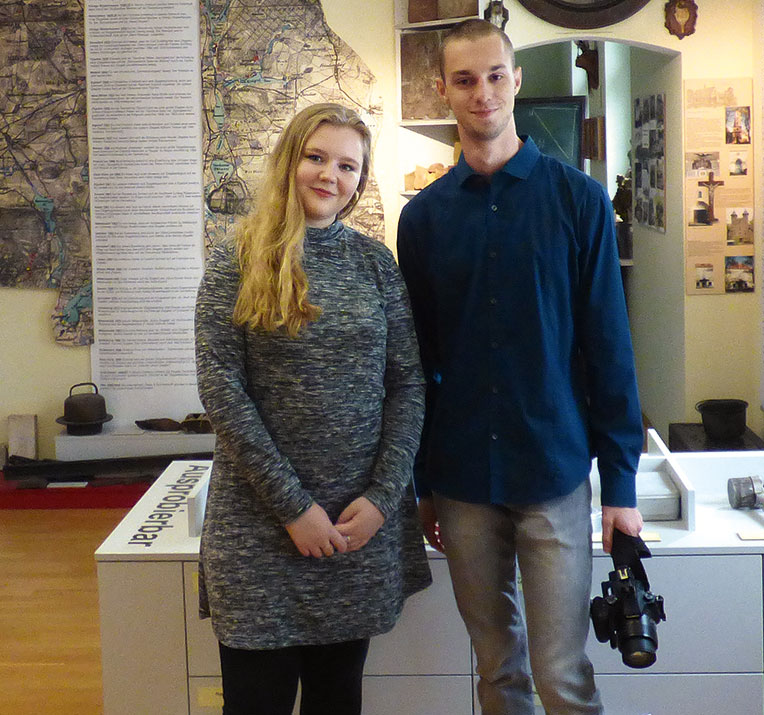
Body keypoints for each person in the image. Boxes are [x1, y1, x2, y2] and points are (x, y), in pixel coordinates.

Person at [397, 19, 644, 715]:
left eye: (495, 76)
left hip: (554, 471)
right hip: (463, 480)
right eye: (466, 80)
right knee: (496, 670)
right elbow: (417, 362)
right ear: (443, 90)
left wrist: (619, 483)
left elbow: (610, 348)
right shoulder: (424, 222)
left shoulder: (579, 202)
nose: (483, 93)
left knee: (562, 673)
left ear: (517, 80)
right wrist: (421, 480)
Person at [195, 102, 432, 715]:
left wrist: (382, 499)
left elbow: (407, 384)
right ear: (289, 161)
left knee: (337, 702)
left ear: (360, 179)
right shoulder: (236, 262)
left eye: (348, 166)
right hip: (260, 531)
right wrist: (294, 508)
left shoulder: (373, 263)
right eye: (316, 157)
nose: (330, 175)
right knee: (255, 704)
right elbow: (223, 390)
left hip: (356, 530)